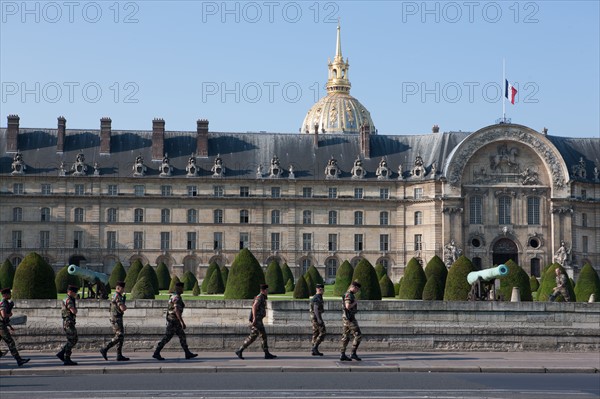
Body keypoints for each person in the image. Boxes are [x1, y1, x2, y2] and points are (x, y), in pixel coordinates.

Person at [152, 282, 197, 360]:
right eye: (182, 288)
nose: (183, 290)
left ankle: (187, 353)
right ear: (179, 288)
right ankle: (156, 352)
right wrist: (182, 322)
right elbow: (176, 310)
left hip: (173, 320)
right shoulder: (177, 297)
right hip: (173, 321)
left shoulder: (174, 296)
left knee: (182, 336)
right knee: (167, 337)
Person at [235, 284, 277, 360]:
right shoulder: (259, 297)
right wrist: (254, 318)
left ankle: (267, 353)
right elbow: (254, 306)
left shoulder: (262, 297)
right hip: (257, 320)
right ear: (263, 291)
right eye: (267, 290)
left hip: (259, 320)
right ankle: (240, 350)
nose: (267, 291)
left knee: (263, 336)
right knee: (253, 336)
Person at [0, 288, 30, 367]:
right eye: (9, 294)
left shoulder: (4, 302)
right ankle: (19, 360)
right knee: (10, 342)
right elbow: (3, 315)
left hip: (2, 325)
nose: (10, 295)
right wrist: (9, 315)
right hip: (1, 327)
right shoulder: (4, 303)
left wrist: (10, 326)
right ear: (5, 295)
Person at [100, 281, 129, 361]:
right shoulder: (118, 296)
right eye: (123, 289)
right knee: (119, 335)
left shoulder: (116, 295)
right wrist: (125, 306)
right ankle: (105, 348)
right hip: (116, 318)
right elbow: (122, 308)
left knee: (121, 336)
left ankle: (119, 355)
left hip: (116, 317)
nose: (123, 290)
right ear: (119, 288)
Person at [340, 281, 362, 361]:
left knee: (346, 336)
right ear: (354, 287)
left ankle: (342, 354)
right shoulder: (349, 295)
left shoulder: (349, 294)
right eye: (357, 289)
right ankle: (353, 353)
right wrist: (355, 302)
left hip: (346, 318)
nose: (357, 291)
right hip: (350, 319)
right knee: (358, 335)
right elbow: (347, 306)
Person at [57, 285, 79, 365]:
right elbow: (73, 311)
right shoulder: (69, 300)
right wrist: (76, 310)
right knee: (72, 340)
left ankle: (62, 353)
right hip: (68, 323)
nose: (75, 294)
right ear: (70, 292)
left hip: (68, 322)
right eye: (74, 292)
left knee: (74, 339)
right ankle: (66, 358)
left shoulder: (67, 299)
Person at [310, 284, 326, 356]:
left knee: (316, 333)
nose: (323, 291)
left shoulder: (317, 297)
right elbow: (316, 309)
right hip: (316, 317)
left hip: (314, 317)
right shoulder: (317, 297)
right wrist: (319, 319)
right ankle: (315, 347)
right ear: (319, 289)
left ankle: (314, 350)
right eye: (322, 289)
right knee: (323, 332)